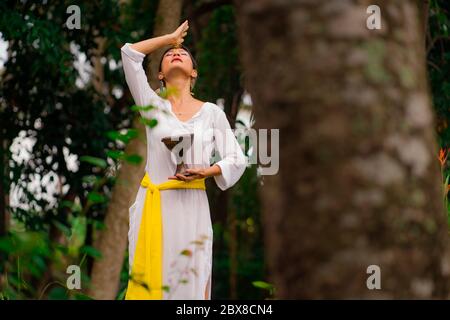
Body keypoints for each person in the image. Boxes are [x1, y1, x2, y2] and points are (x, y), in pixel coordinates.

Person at [120, 20, 246, 300]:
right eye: (168, 55)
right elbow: (129, 53)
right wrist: (169, 38)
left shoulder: (212, 113)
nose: (175, 54)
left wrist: (206, 171)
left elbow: (237, 158)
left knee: (192, 280)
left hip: (193, 207)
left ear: (194, 72)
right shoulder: (152, 105)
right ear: (161, 75)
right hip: (155, 204)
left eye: (183, 53)